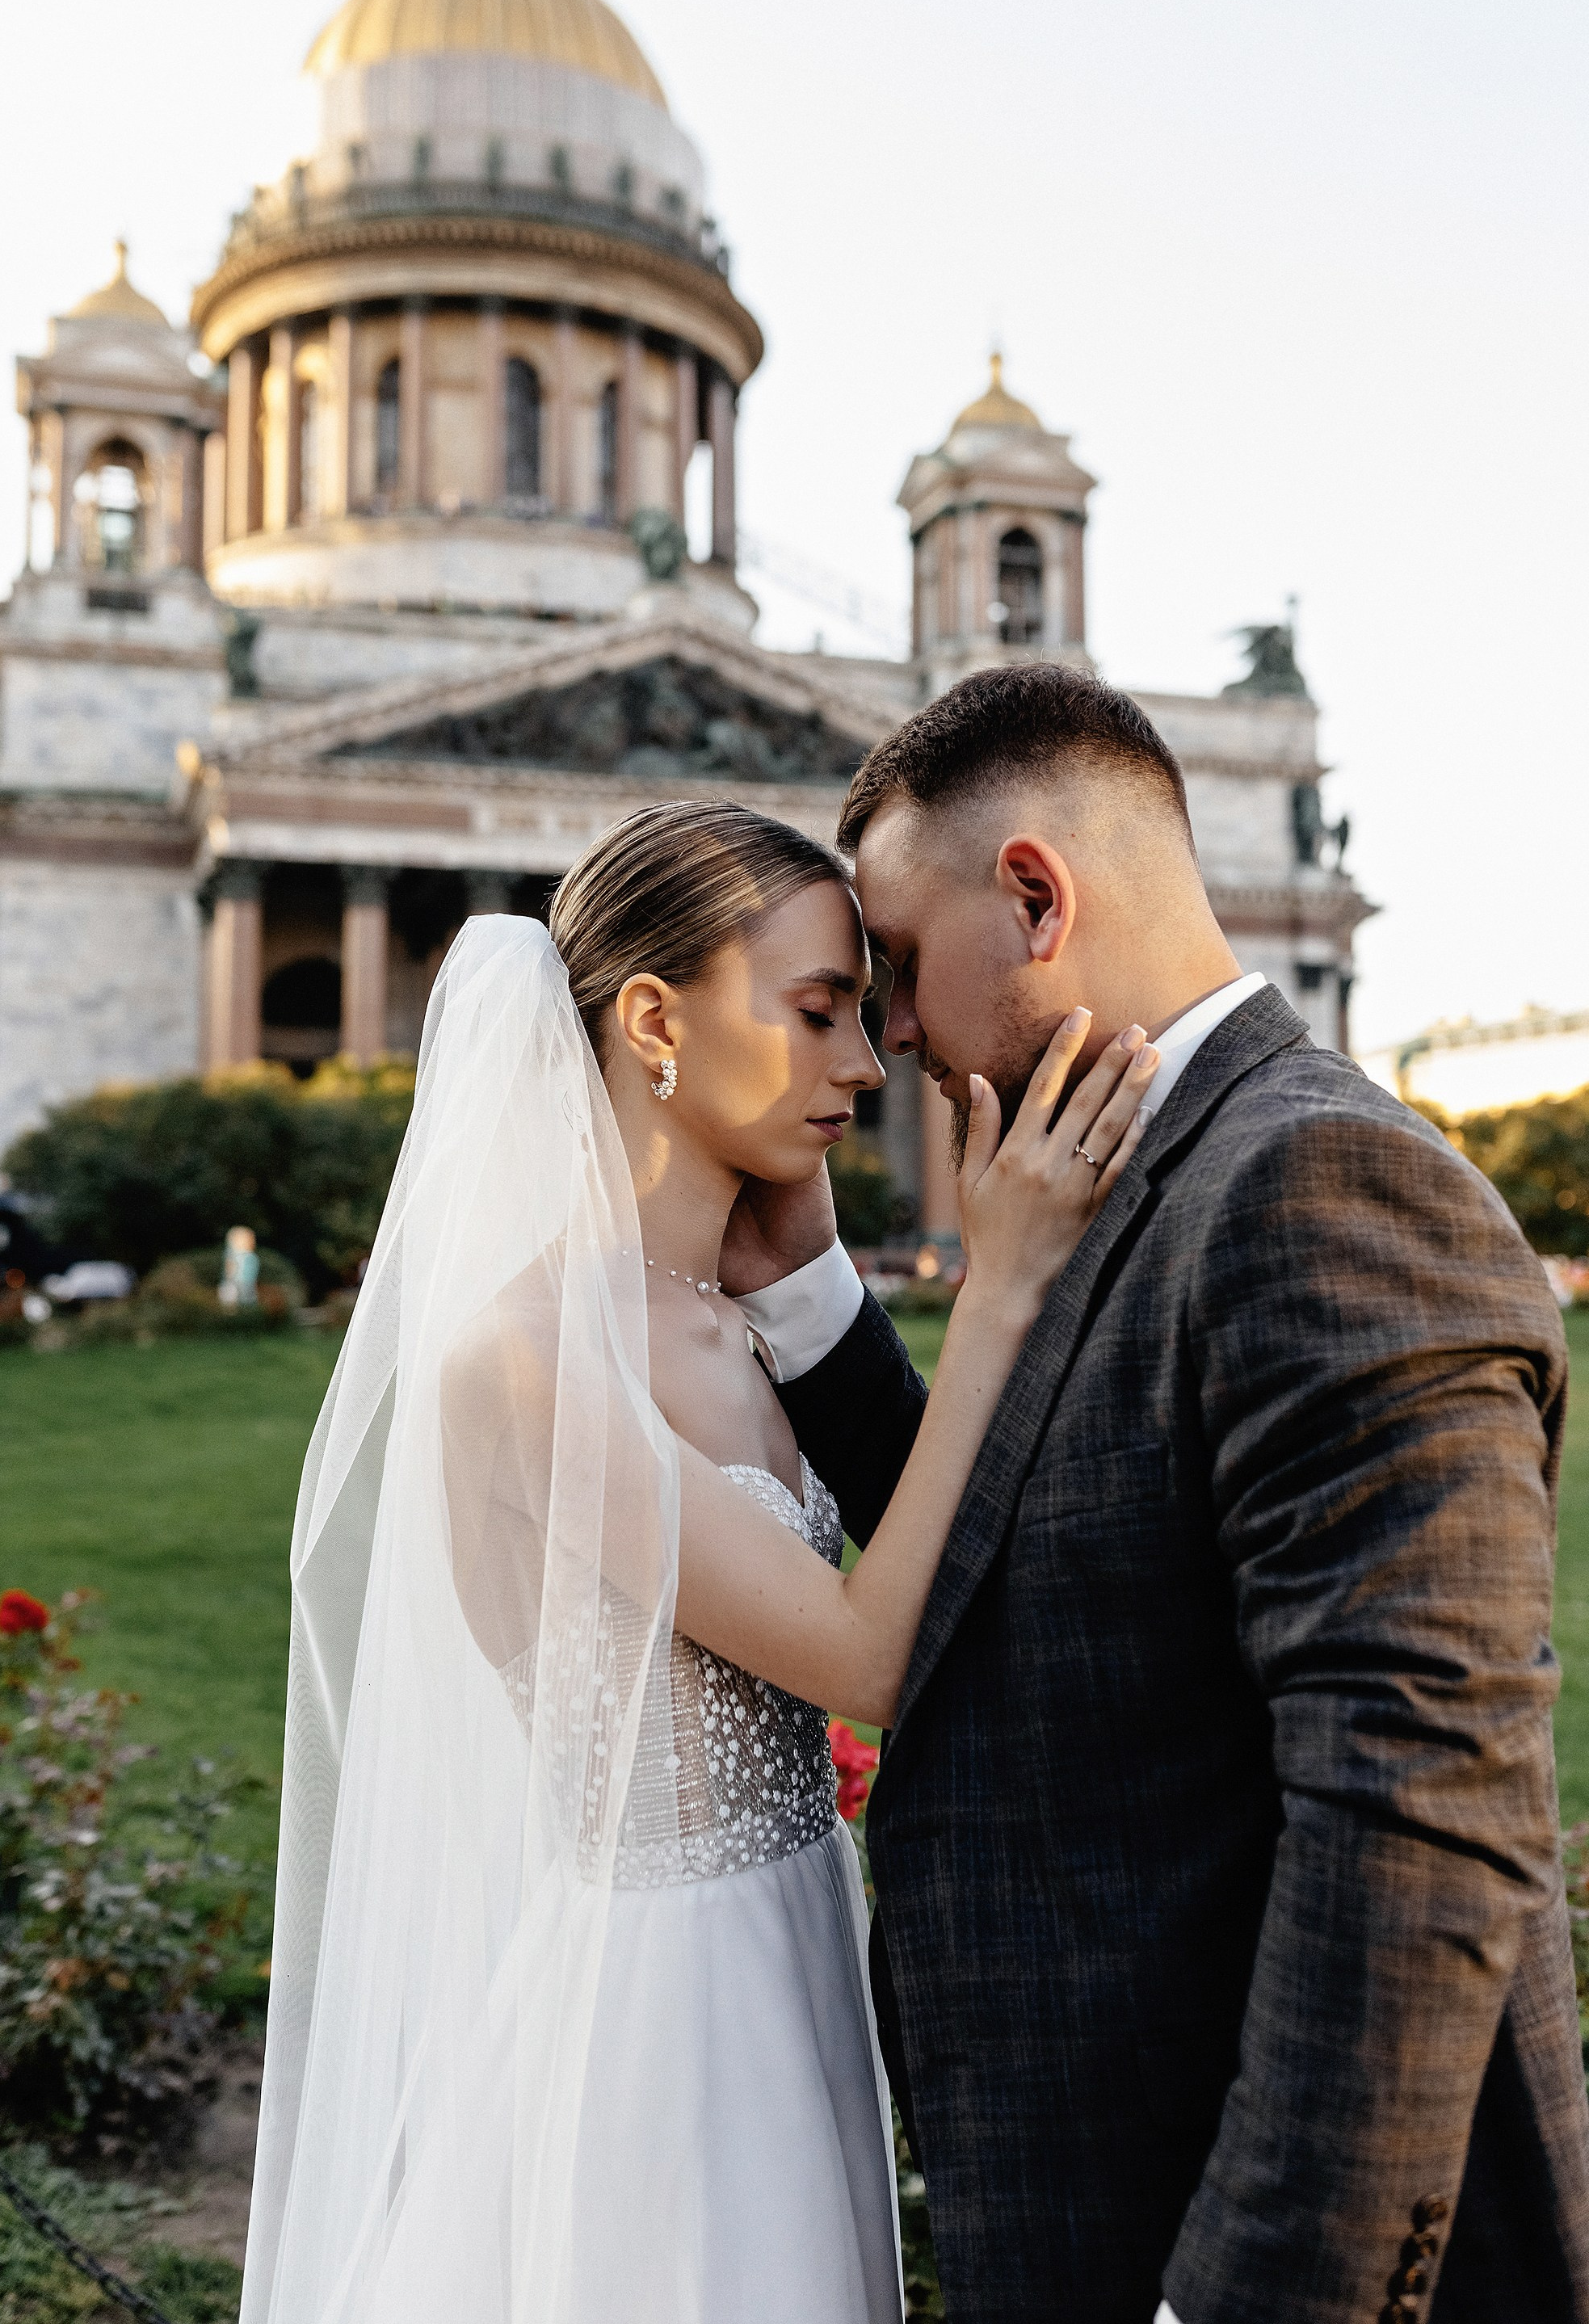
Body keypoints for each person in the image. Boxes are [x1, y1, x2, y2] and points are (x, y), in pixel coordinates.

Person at [722, 662, 1589, 2324]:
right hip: (1105, 2189)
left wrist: (1253, 2300)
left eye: (898, 966)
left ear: (1035, 895)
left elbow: (1415, 1825)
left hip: (1240, 2246)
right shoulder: (1134, 1165)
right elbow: (1037, 1572)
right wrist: (812, 1293)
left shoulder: (1321, 1182)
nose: (891, 1034)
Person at [239, 799, 1157, 2324]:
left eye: (864, 1016)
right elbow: (864, 1657)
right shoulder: (527, 1361)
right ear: (655, 1021)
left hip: (792, 1941)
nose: (869, 1066)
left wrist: (813, 1280)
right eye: (818, 1014)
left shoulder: (734, 1315)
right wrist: (1001, 1289)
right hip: (666, 2015)